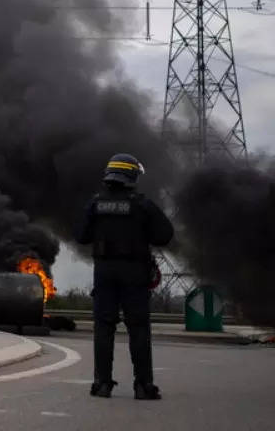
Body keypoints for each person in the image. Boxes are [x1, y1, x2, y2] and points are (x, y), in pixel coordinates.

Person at [73, 153, 173, 400]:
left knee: (104, 328)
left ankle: (102, 384)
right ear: (131, 176)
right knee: (138, 329)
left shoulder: (96, 204)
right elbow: (165, 235)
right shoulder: (142, 205)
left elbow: (81, 236)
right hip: (134, 274)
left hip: (105, 273)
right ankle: (143, 386)